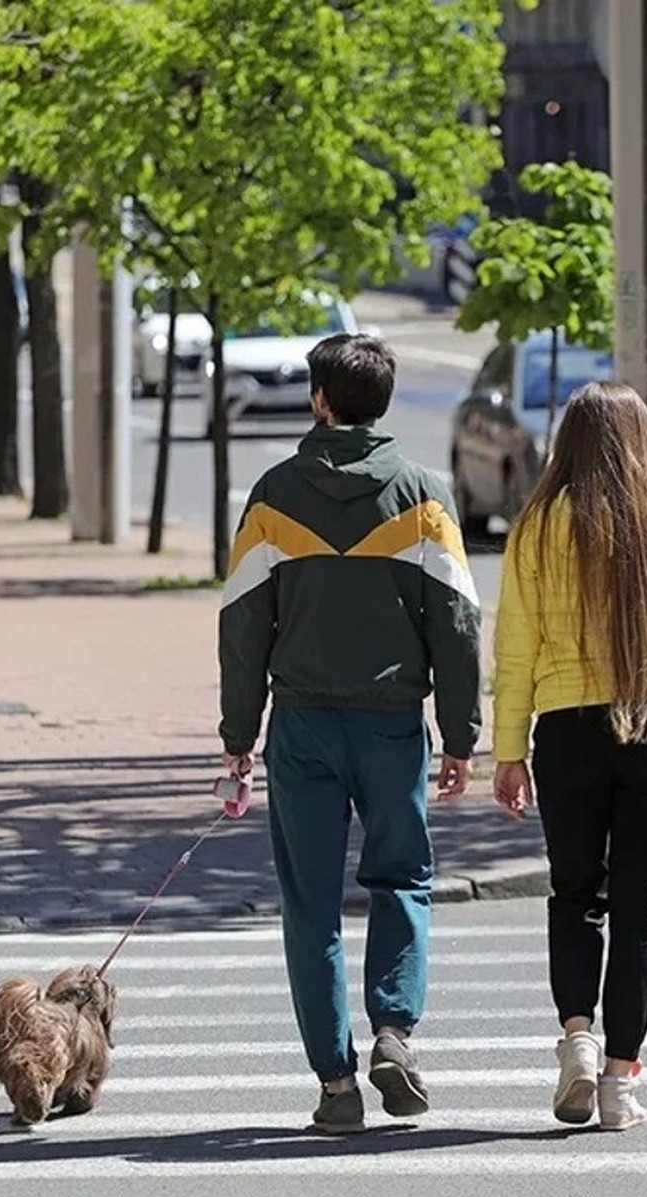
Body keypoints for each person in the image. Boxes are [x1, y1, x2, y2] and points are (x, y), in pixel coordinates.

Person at [218, 333, 482, 1134]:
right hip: (393, 726)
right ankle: (394, 1032)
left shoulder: (270, 499)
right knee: (402, 879)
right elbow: (461, 626)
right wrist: (462, 734)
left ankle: (336, 1087)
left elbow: (241, 626)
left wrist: (239, 734)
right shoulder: (422, 498)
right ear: (384, 402)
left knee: (310, 905)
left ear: (320, 400)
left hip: (301, 726)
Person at [491, 380, 647, 1132]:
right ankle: (622, 1085)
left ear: (568, 444)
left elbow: (515, 650)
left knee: (573, 896)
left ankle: (578, 1038)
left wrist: (508, 750)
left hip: (565, 731)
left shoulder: (536, 528)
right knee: (641, 912)